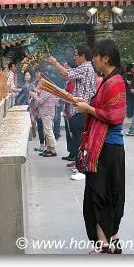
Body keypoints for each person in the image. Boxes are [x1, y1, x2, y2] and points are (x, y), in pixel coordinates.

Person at [73, 39, 126, 254]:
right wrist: (86, 104)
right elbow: (101, 107)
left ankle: (105, 244)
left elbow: (115, 115)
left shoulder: (115, 82)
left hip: (107, 147)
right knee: (109, 193)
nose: (93, 59)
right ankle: (112, 239)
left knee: (100, 195)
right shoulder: (107, 80)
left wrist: (88, 108)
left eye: (96, 56)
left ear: (105, 57)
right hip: (107, 147)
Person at [48, 45, 95, 181]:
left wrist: (55, 62)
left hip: (82, 109)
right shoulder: (84, 67)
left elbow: (67, 73)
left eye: (76, 55)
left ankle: (83, 167)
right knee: (78, 138)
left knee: (81, 139)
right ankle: (80, 164)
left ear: (83, 56)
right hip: (79, 108)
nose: (75, 57)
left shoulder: (86, 67)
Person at [30, 86, 59, 157]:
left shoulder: (46, 91)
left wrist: (34, 96)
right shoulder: (48, 90)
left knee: (48, 132)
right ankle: (48, 149)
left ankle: (53, 150)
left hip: (47, 113)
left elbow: (40, 101)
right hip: (47, 113)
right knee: (47, 132)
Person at [31, 70, 45, 152]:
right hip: (36, 106)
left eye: (38, 75)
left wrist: (35, 91)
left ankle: (46, 146)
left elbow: (43, 93)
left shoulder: (44, 83)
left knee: (44, 127)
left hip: (43, 107)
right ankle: (41, 145)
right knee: (39, 126)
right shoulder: (35, 82)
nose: (37, 76)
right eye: (36, 74)